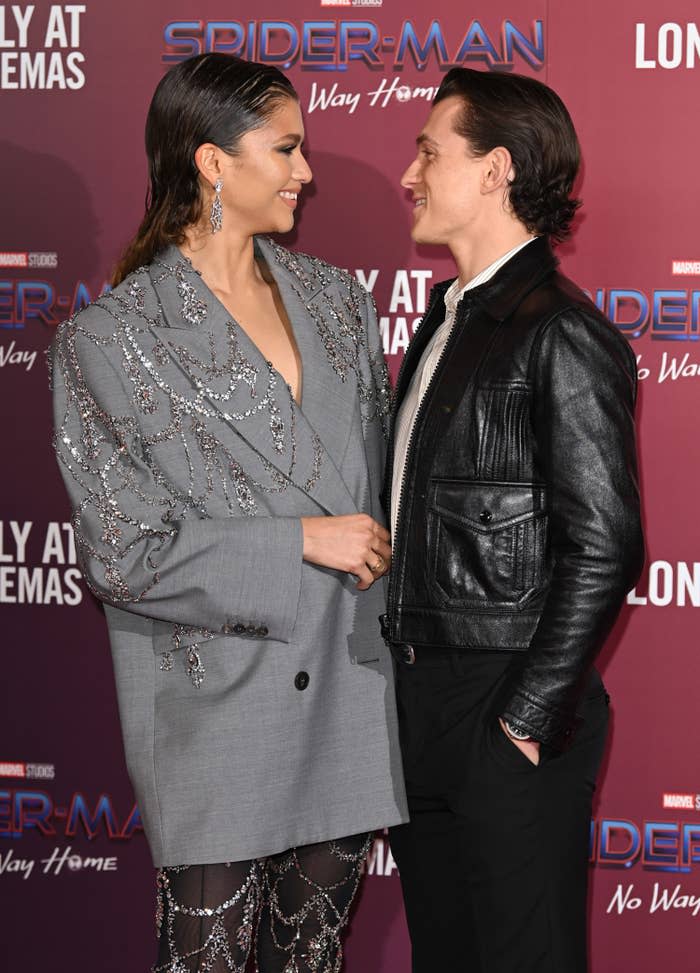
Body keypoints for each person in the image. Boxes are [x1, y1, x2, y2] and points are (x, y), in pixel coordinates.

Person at [51, 52, 407, 973]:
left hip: (343, 694)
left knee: (314, 960)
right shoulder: (110, 340)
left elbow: (372, 488)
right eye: (284, 149)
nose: (306, 172)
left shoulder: (339, 304)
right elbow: (125, 555)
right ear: (212, 162)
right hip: (215, 716)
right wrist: (301, 542)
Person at [381, 67, 644, 973]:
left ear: (495, 170)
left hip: (506, 707)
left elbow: (606, 543)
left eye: (428, 151)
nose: (408, 174)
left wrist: (525, 717)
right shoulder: (448, 320)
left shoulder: (560, 332)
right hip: (422, 707)